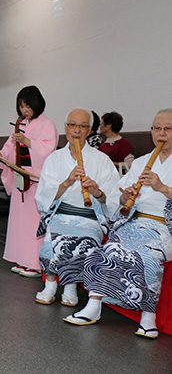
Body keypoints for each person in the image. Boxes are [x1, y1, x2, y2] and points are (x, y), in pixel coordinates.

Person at [66, 109, 172, 339]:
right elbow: (118, 197)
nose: (161, 133)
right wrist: (126, 196)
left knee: (147, 256)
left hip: (165, 227)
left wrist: (162, 187)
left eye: (167, 128)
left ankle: (148, 317)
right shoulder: (142, 162)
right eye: (157, 128)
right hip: (136, 222)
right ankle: (94, 306)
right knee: (106, 249)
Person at [34, 108, 119, 307]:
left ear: (89, 131)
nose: (77, 130)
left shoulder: (101, 160)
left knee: (85, 242)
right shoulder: (54, 159)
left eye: (82, 126)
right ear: (65, 127)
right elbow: (43, 195)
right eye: (72, 125)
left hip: (89, 217)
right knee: (50, 241)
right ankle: (51, 285)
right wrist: (66, 182)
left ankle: (71, 286)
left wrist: (97, 192)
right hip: (60, 214)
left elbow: (114, 197)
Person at [0, 86, 58, 277]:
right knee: (19, 222)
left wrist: (28, 142)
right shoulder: (20, 124)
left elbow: (48, 149)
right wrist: (1, 155)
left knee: (33, 222)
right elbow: (10, 148)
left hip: (35, 178)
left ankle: (35, 263)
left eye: (27, 105)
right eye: (21, 106)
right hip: (21, 176)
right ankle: (21, 259)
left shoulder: (48, 124)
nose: (24, 110)